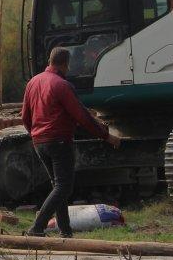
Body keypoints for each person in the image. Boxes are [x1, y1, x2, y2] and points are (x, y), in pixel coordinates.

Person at [21, 47, 117, 237]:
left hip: (39, 141)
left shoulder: (33, 82)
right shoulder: (62, 85)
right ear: (65, 65)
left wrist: (35, 134)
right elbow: (81, 116)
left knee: (58, 186)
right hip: (59, 141)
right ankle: (37, 227)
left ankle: (65, 231)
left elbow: (25, 116)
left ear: (50, 61)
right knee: (64, 186)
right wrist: (106, 136)